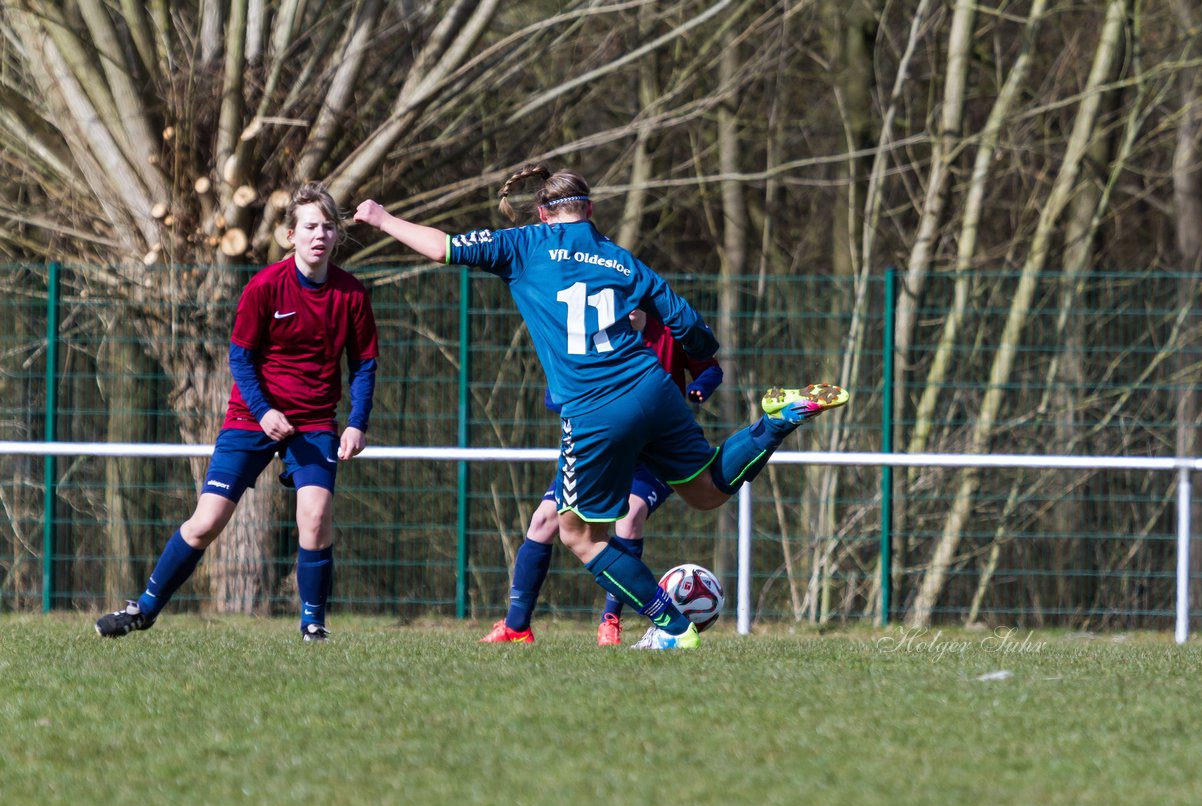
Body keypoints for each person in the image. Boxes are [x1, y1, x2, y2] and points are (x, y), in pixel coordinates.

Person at [354, 163, 846, 650]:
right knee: (708, 491)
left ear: (544, 215)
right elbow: (688, 324)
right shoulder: (622, 259)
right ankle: (775, 423)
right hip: (654, 388)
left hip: (593, 410)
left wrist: (382, 219)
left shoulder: (522, 245)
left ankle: (674, 628)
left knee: (577, 535)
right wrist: (704, 352)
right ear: (589, 210)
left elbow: (442, 247)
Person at [96, 183, 379, 642]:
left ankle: (312, 625)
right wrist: (264, 410)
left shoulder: (351, 295)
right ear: (291, 235)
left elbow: (364, 364)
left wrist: (357, 423)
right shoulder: (265, 286)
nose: (319, 235)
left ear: (337, 236)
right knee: (206, 522)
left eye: (328, 227)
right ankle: (144, 608)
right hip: (252, 418)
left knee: (315, 515)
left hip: (313, 423)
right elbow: (240, 357)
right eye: (310, 226)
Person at [480, 307, 724, 646]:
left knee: (631, 514)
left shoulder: (668, 328)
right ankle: (516, 626)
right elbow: (558, 395)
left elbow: (709, 368)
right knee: (543, 520)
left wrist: (699, 387)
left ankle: (611, 620)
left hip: (654, 454)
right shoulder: (589, 334)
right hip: (602, 449)